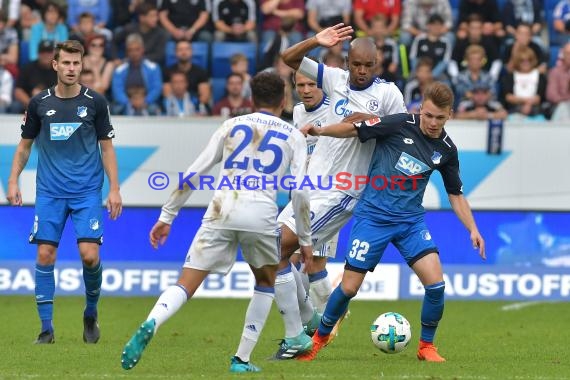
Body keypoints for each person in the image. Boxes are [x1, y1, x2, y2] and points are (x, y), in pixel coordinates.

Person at [120, 71, 313, 373]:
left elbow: (193, 173)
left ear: (251, 99)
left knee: (185, 284)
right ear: (284, 99)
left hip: (222, 209)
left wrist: (167, 216)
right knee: (265, 281)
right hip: (261, 215)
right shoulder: (294, 135)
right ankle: (241, 359)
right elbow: (300, 192)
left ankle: (152, 322)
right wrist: (305, 240)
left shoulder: (231, 125)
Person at [297, 81, 486, 362]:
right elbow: (354, 129)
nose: (433, 123)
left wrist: (473, 228)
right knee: (349, 288)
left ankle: (426, 347)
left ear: (450, 115)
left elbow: (455, 194)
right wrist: (322, 130)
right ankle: (318, 340)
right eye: (429, 115)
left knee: (436, 285)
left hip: (410, 222)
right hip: (373, 216)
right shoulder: (398, 124)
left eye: (440, 118)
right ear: (421, 109)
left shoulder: (446, 149)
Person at [273, 23, 407, 359]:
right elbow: (288, 58)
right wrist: (314, 41)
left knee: (281, 246)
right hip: (311, 185)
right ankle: (313, 322)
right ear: (347, 61)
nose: (361, 71)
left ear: (377, 65)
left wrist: (364, 122)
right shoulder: (332, 78)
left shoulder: (388, 95)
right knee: (271, 251)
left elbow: (400, 134)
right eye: (356, 64)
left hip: (343, 191)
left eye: (368, 66)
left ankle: (297, 336)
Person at [6, 40, 122, 344]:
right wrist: (13, 180)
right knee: (45, 254)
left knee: (89, 256)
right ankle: (46, 329)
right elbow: (24, 146)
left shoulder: (95, 102)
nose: (72, 68)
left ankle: (91, 313)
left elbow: (107, 149)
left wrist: (115, 189)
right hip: (50, 192)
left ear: (82, 65)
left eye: (76, 63)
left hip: (86, 192)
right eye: (66, 63)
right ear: (55, 65)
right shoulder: (39, 104)